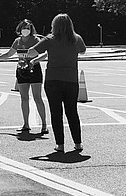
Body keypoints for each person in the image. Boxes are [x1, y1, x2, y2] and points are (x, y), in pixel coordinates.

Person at [26, 13, 87, 153]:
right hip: (71, 80)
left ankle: (60, 144)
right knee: (72, 112)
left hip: (53, 79)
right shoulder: (76, 38)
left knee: (56, 112)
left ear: (55, 25)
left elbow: (31, 52)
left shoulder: (49, 39)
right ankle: (78, 143)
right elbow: (83, 52)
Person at [0, 19, 48, 134]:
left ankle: (44, 124)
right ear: (20, 29)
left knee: (37, 97)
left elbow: (45, 53)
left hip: (34, 69)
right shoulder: (17, 41)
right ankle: (26, 124)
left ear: (31, 30)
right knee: (24, 98)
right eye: (24, 28)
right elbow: (8, 55)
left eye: (28, 28)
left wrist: (34, 61)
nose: (26, 30)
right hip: (21, 70)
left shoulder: (36, 40)